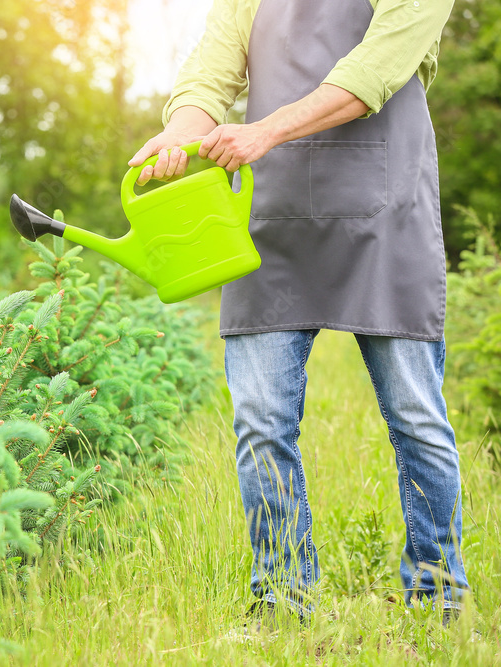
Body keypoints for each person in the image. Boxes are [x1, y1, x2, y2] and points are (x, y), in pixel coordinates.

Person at [128, 0, 467, 622]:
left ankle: (438, 596)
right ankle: (285, 598)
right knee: (260, 421)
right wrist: (182, 129)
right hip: (271, 213)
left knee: (416, 415)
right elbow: (212, 68)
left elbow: (375, 69)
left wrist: (266, 130)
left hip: (385, 208)